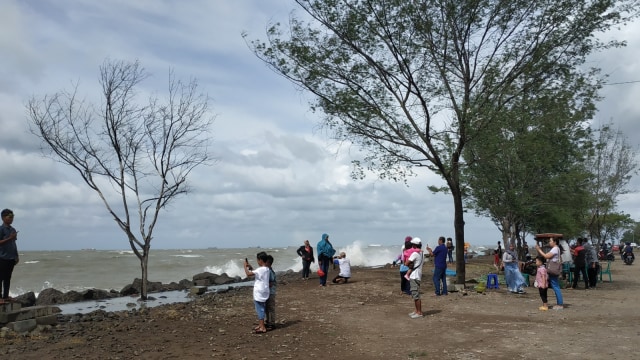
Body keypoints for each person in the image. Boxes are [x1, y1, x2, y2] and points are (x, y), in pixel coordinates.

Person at [244, 252, 270, 333]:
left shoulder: (260, 269)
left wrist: (244, 266)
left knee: (259, 309)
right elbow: (257, 273)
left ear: (261, 260)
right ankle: (261, 324)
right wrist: (251, 267)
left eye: (258, 260)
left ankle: (262, 327)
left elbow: (248, 274)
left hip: (259, 291)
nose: (257, 262)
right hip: (265, 291)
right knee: (262, 307)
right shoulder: (267, 269)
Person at [535, 237, 564, 310]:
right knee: (555, 286)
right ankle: (556, 303)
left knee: (555, 286)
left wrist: (539, 249)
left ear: (555, 242)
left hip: (552, 270)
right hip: (553, 269)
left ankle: (560, 304)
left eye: (550, 241)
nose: (549, 242)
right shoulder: (556, 249)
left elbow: (546, 256)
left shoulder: (555, 249)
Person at [0, 209, 19, 302]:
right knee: (1, 278)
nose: (11, 219)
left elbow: (13, 243)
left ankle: (5, 296)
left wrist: (16, 255)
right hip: (2, 257)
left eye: (12, 217)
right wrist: (9, 238)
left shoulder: (12, 229)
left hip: (11, 257)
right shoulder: (1, 229)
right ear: (3, 218)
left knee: (8, 277)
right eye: (10, 217)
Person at [405, 237, 424, 318]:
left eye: (413, 245)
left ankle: (419, 312)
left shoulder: (415, 254)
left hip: (414, 276)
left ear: (415, 246)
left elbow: (406, 263)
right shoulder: (421, 253)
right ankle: (416, 311)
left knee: (416, 295)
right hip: (418, 275)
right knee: (415, 294)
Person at [265, 254, 277, 330]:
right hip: (269, 292)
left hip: (271, 292)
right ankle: (268, 321)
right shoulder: (269, 270)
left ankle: (272, 323)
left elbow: (271, 282)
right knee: (267, 307)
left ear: (268, 263)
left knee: (270, 307)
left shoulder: (269, 271)